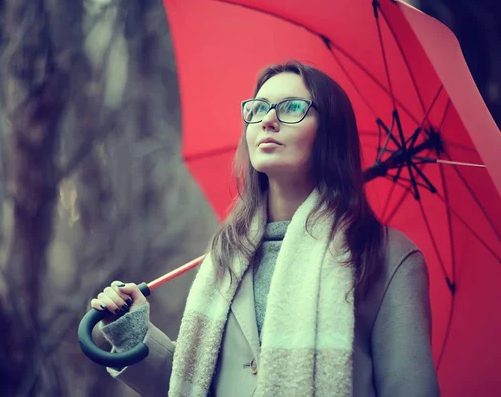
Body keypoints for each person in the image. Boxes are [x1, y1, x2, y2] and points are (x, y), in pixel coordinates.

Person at [90, 60, 440, 397]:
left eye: (291, 108)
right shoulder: (227, 254)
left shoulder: (385, 256)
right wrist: (134, 332)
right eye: (258, 108)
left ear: (330, 133)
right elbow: (191, 383)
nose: (268, 120)